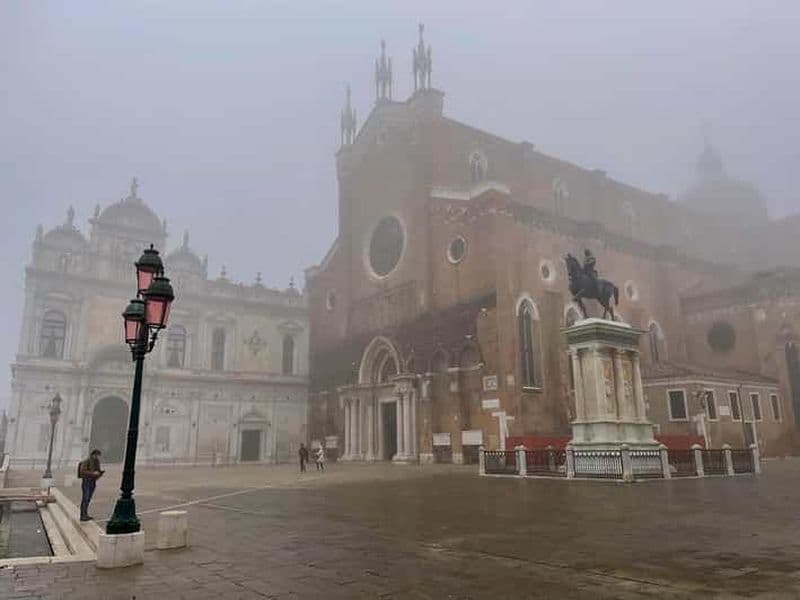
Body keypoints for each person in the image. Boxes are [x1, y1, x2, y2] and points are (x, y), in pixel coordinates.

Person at [78, 449, 104, 522]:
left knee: (88, 498)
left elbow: (97, 470)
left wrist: (99, 473)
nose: (97, 457)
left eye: (98, 455)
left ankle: (85, 514)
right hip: (86, 481)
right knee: (85, 498)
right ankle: (82, 515)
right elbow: (82, 471)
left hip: (92, 481)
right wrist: (93, 473)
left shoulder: (97, 462)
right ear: (93, 454)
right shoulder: (87, 461)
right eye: (96, 455)